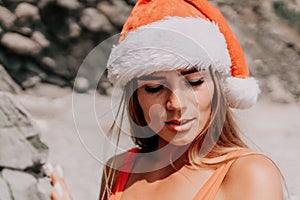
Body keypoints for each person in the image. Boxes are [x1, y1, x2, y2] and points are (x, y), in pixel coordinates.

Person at [48, 0, 286, 199]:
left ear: (219, 87)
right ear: (135, 97)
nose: (176, 104)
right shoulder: (119, 171)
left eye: (194, 82)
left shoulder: (250, 174)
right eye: (153, 87)